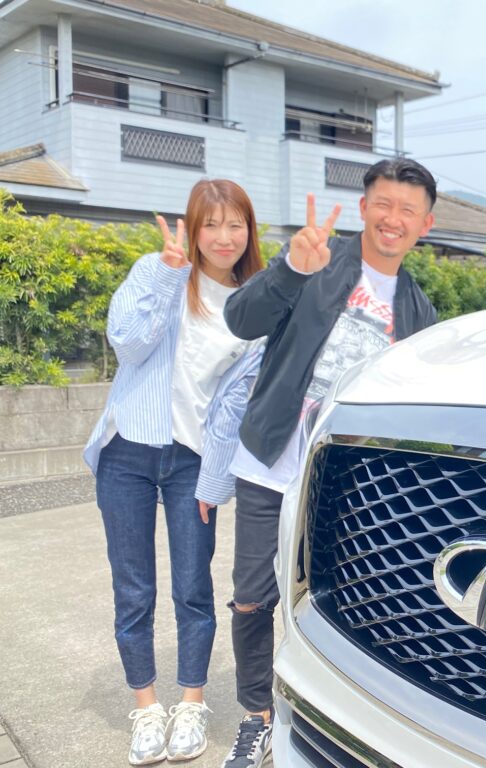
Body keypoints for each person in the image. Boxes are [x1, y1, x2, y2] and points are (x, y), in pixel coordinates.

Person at [219, 158, 439, 768]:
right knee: (252, 597)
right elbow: (241, 319)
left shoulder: (420, 312)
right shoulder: (317, 260)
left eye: (408, 210)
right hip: (270, 463)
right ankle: (257, 716)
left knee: (343, 605)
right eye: (383, 204)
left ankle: (333, 715)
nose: (393, 219)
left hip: (346, 484)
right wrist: (290, 270)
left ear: (425, 224)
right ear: (364, 208)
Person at [83, 179, 264, 765]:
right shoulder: (155, 271)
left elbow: (234, 405)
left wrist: (215, 477)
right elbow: (129, 345)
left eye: (235, 224)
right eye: (211, 224)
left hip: (192, 460)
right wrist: (167, 275)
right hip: (127, 453)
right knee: (133, 588)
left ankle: (191, 703)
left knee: (193, 587)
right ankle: (146, 709)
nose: (223, 237)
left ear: (249, 231)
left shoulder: (253, 306)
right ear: (193, 227)